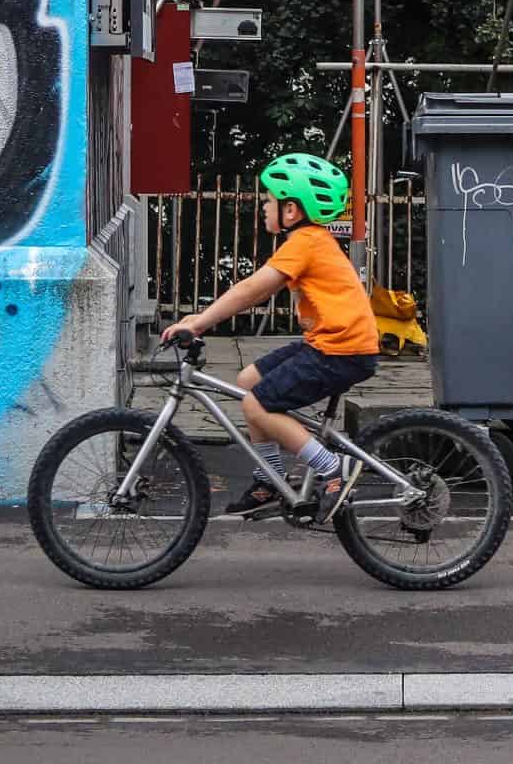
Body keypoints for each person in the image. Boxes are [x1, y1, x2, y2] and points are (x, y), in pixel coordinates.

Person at [161, 152, 380, 517]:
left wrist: (199, 324)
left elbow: (254, 289)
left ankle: (330, 468)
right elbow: (258, 292)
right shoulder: (309, 241)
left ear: (291, 210)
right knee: (248, 381)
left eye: (269, 199)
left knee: (256, 404)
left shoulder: (305, 242)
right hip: (330, 343)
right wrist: (202, 316)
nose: (263, 205)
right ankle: (269, 482)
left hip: (342, 350)